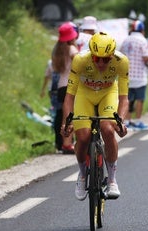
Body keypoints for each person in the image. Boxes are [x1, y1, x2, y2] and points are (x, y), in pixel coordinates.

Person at [61, 32, 129, 201]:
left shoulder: (122, 62)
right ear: (91, 54)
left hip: (108, 94)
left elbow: (123, 98)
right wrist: (67, 122)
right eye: (96, 58)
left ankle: (112, 180)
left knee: (107, 129)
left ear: (112, 56)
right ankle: (83, 175)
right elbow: (69, 96)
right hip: (85, 94)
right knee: (83, 137)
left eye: (106, 59)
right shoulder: (80, 60)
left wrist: (120, 120)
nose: (100, 63)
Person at [51, 22, 79, 154]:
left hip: (61, 86)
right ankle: (69, 143)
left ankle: (65, 143)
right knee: (73, 115)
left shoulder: (57, 50)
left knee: (65, 116)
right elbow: (79, 62)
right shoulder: (71, 49)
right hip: (71, 85)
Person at [120, 20, 148, 130]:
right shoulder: (143, 40)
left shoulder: (126, 40)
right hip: (139, 76)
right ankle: (137, 121)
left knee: (128, 99)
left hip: (127, 75)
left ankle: (127, 121)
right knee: (140, 99)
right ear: (142, 30)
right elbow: (146, 57)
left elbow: (120, 55)